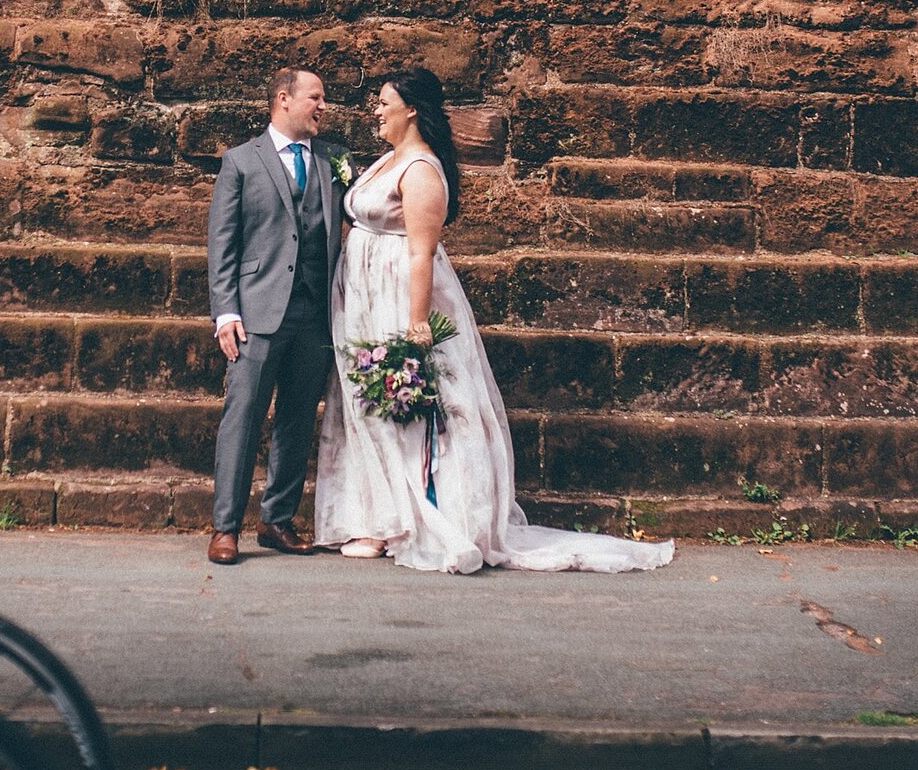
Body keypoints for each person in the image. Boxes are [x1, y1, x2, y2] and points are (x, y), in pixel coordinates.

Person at [314, 67, 676, 575]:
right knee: (366, 404)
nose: (375, 109)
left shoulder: (420, 170)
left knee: (406, 402)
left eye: (383, 102)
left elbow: (421, 253)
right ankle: (374, 515)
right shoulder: (384, 162)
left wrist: (416, 328)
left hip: (399, 299)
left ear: (411, 109)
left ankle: (415, 518)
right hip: (363, 299)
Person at [204, 67, 342, 564]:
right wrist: (225, 313)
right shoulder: (241, 161)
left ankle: (276, 520)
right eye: (316, 97)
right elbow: (223, 244)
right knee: (241, 418)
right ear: (284, 99)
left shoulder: (332, 161)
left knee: (298, 419)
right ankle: (225, 528)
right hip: (256, 314)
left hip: (314, 314)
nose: (323, 106)